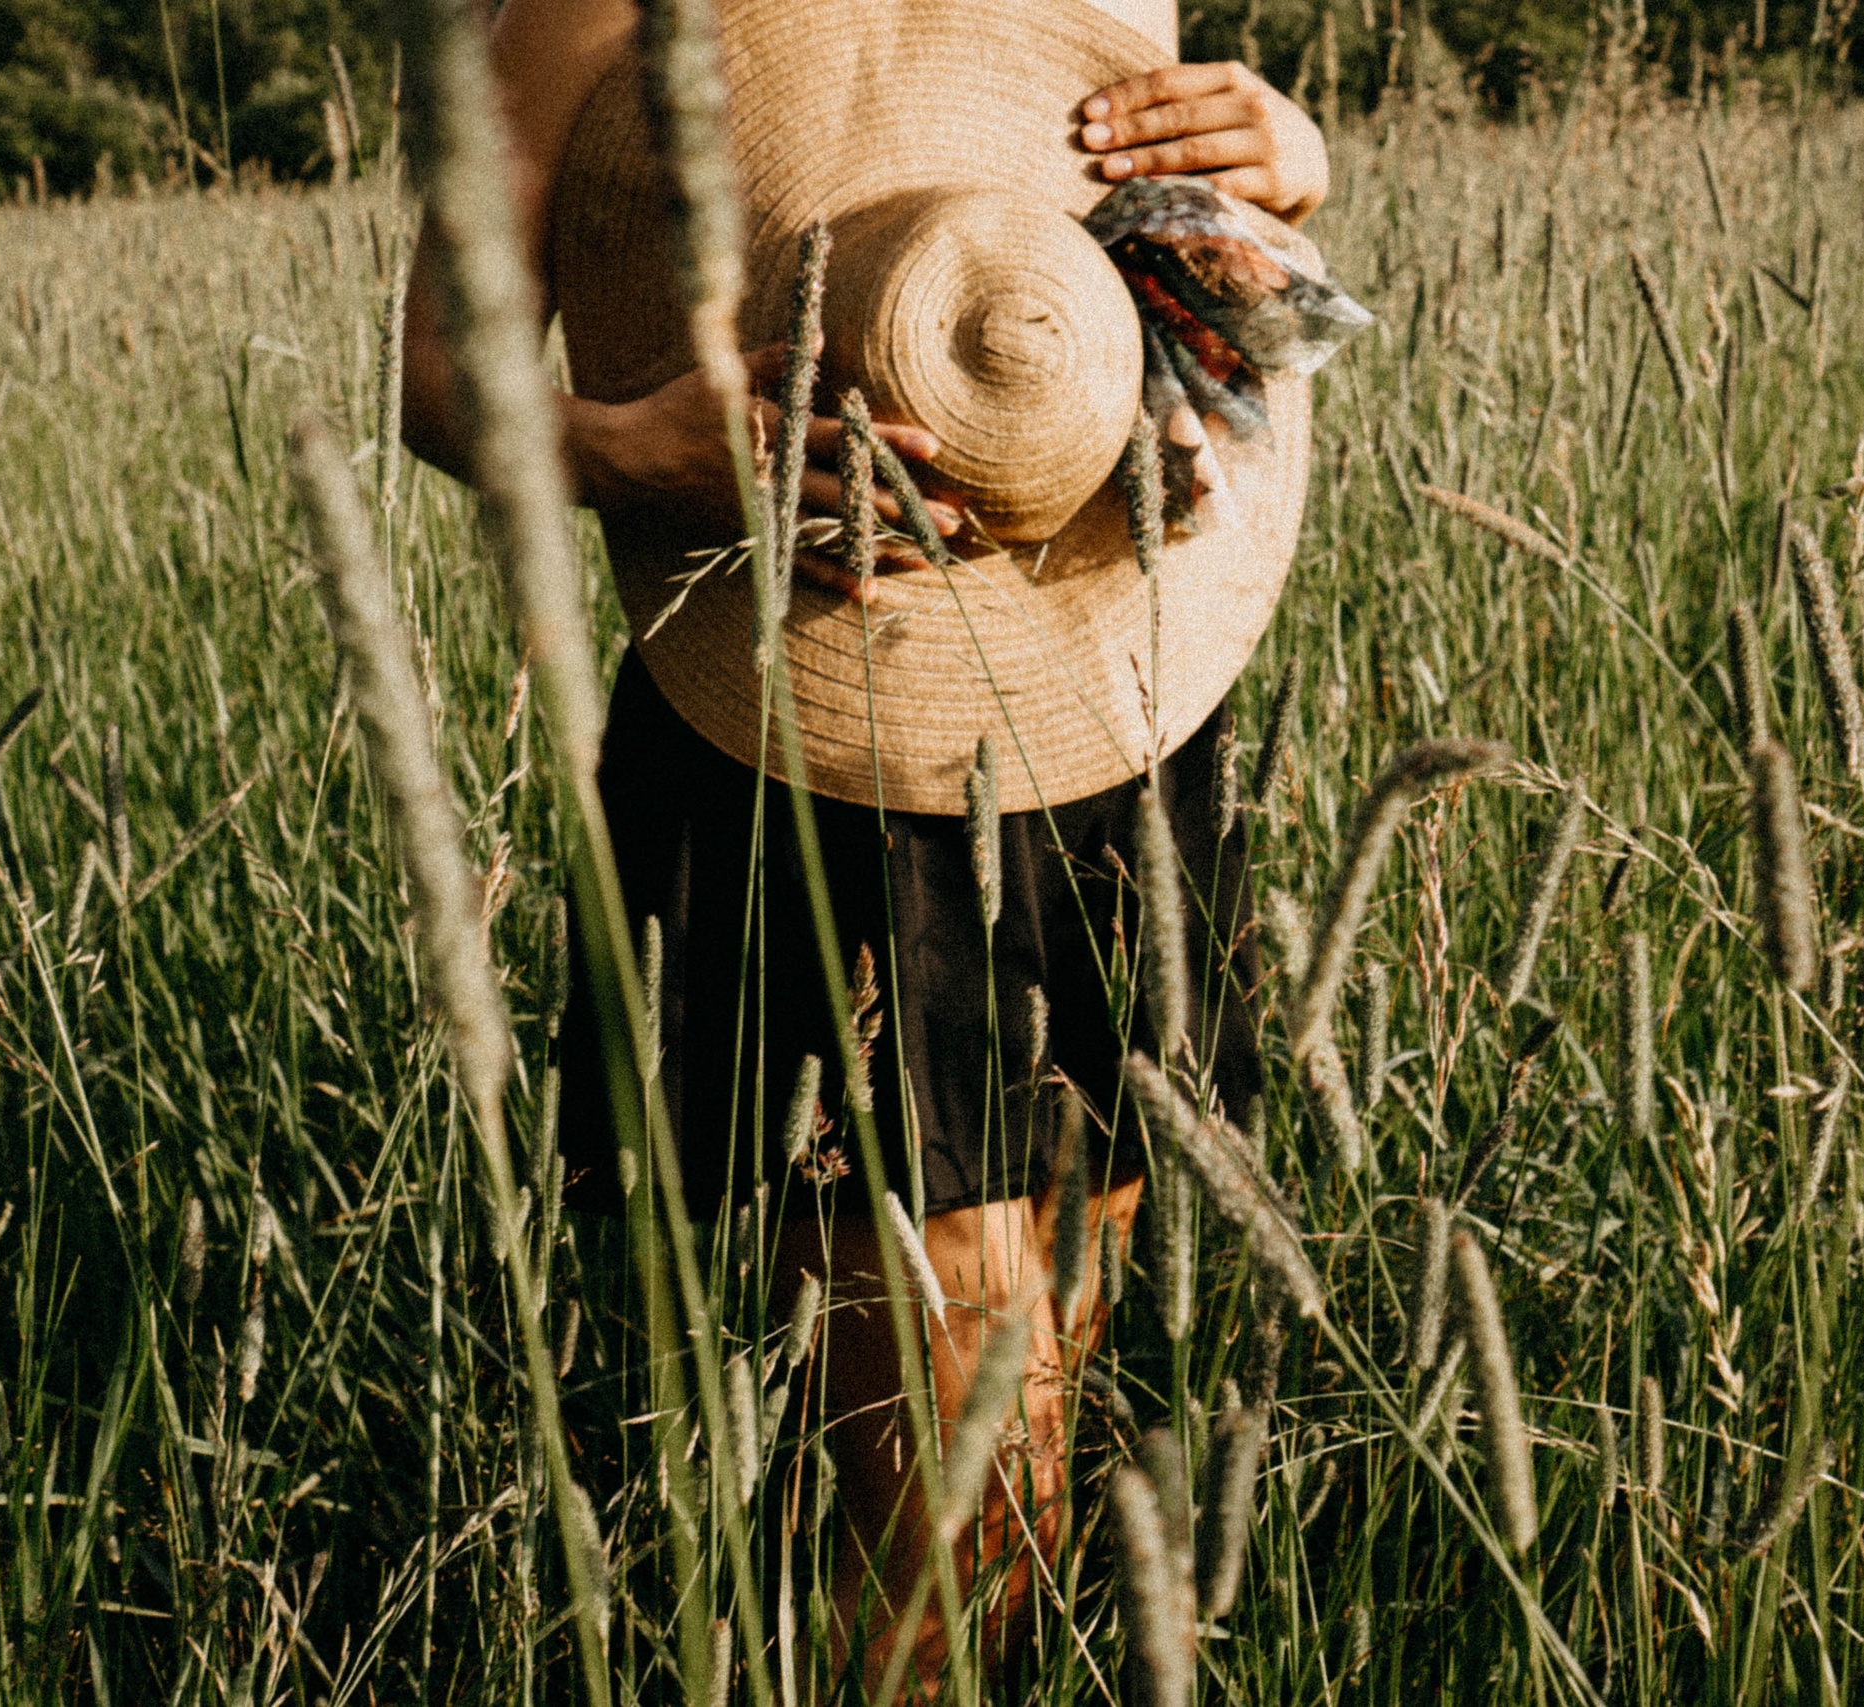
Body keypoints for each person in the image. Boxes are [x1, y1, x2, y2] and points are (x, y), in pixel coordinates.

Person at [399, 0, 1329, 1690]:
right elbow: (441, 379)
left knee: (1047, 1450)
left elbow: (1181, 275)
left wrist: (1291, 174)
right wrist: (630, 453)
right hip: (809, 730)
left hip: (1105, 669)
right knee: (961, 1512)